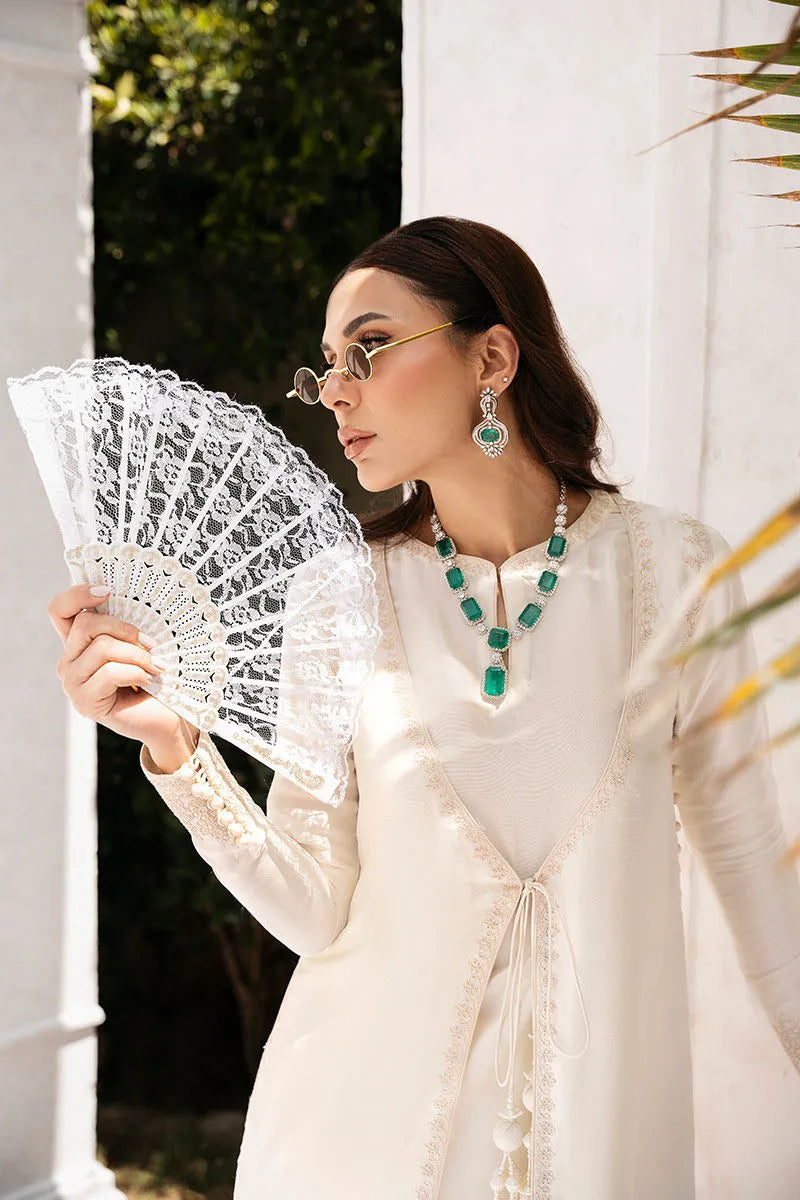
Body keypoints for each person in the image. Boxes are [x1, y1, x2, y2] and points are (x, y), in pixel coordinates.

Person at [49, 216, 800, 1199]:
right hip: (358, 1144)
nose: (336, 391)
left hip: (604, 1149)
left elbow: (753, 879)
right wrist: (180, 752)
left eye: (367, 348)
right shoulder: (340, 593)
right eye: (326, 366)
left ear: (490, 354)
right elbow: (317, 913)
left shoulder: (673, 571)